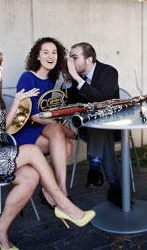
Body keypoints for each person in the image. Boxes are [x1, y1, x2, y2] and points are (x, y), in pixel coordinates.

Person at [0, 44, 95, 250]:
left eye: (0, 63)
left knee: (32, 176)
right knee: (34, 151)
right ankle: (63, 204)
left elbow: (4, 128)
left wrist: (17, 101)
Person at [12, 37, 76, 208]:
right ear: (37, 57)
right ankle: (59, 190)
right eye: (45, 52)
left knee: (65, 143)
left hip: (39, 128)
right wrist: (64, 129)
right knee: (61, 136)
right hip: (23, 131)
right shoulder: (27, 77)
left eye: (54, 52)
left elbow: (46, 112)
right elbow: (33, 116)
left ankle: (53, 189)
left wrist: (62, 124)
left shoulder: (50, 80)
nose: (50, 56)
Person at [62, 42, 122, 207]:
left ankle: (95, 166)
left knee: (99, 123)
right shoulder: (75, 77)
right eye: (70, 59)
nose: (71, 63)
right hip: (88, 128)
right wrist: (68, 81)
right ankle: (114, 187)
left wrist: (77, 78)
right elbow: (73, 105)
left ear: (89, 59)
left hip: (112, 127)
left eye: (75, 58)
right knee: (96, 124)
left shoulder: (109, 72)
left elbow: (102, 101)